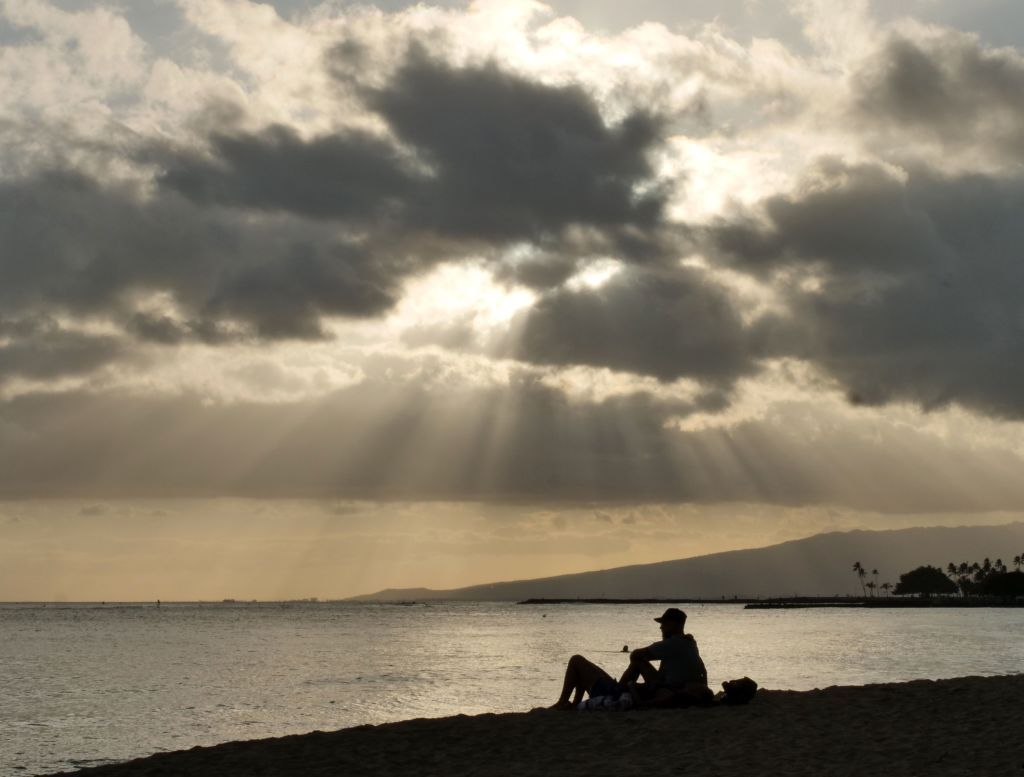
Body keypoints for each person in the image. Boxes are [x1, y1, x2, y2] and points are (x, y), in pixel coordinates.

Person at [550, 607, 707, 710]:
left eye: (663, 623)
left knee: (576, 660)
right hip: (661, 690)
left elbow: (635, 655)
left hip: (645, 692)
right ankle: (576, 703)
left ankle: (564, 701)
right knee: (584, 668)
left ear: (674, 625)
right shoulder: (689, 644)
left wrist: (636, 674)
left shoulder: (672, 644)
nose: (660, 627)